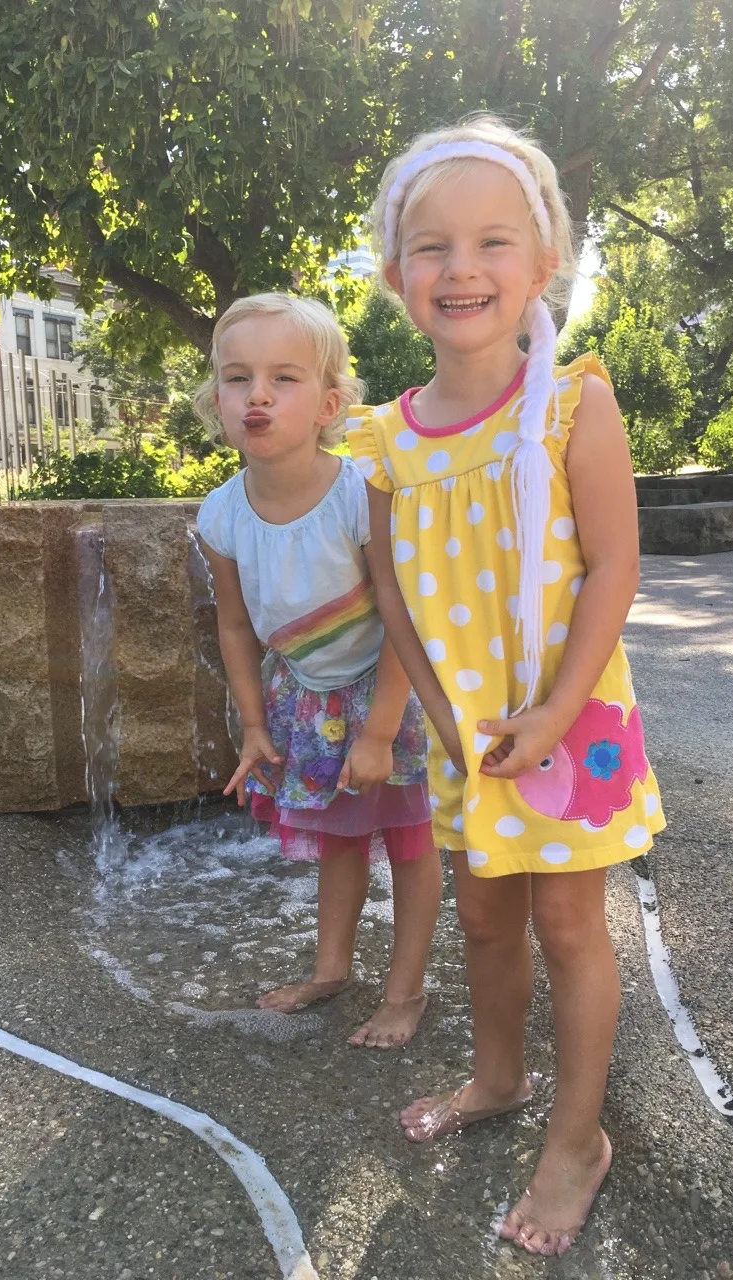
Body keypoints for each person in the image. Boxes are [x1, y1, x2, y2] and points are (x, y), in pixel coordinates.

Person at [346, 116, 666, 1254]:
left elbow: (615, 566)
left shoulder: (575, 404)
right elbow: (396, 598)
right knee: (483, 918)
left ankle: (577, 1136)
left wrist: (555, 712)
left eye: (492, 242)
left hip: (570, 723)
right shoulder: (384, 442)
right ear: (396, 275)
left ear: (542, 265)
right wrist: (439, 722)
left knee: (572, 921)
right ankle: (496, 1075)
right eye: (431, 246)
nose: (462, 267)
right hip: (466, 735)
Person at [195, 293, 442, 1050]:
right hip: (303, 691)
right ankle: (331, 967)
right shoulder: (222, 515)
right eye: (238, 379)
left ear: (329, 403)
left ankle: (405, 989)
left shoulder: (360, 494)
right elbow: (235, 626)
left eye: (284, 378)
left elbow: (404, 619)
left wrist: (377, 732)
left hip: (385, 685)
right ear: (217, 402)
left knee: (409, 839)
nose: (258, 395)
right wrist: (254, 727)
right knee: (338, 836)